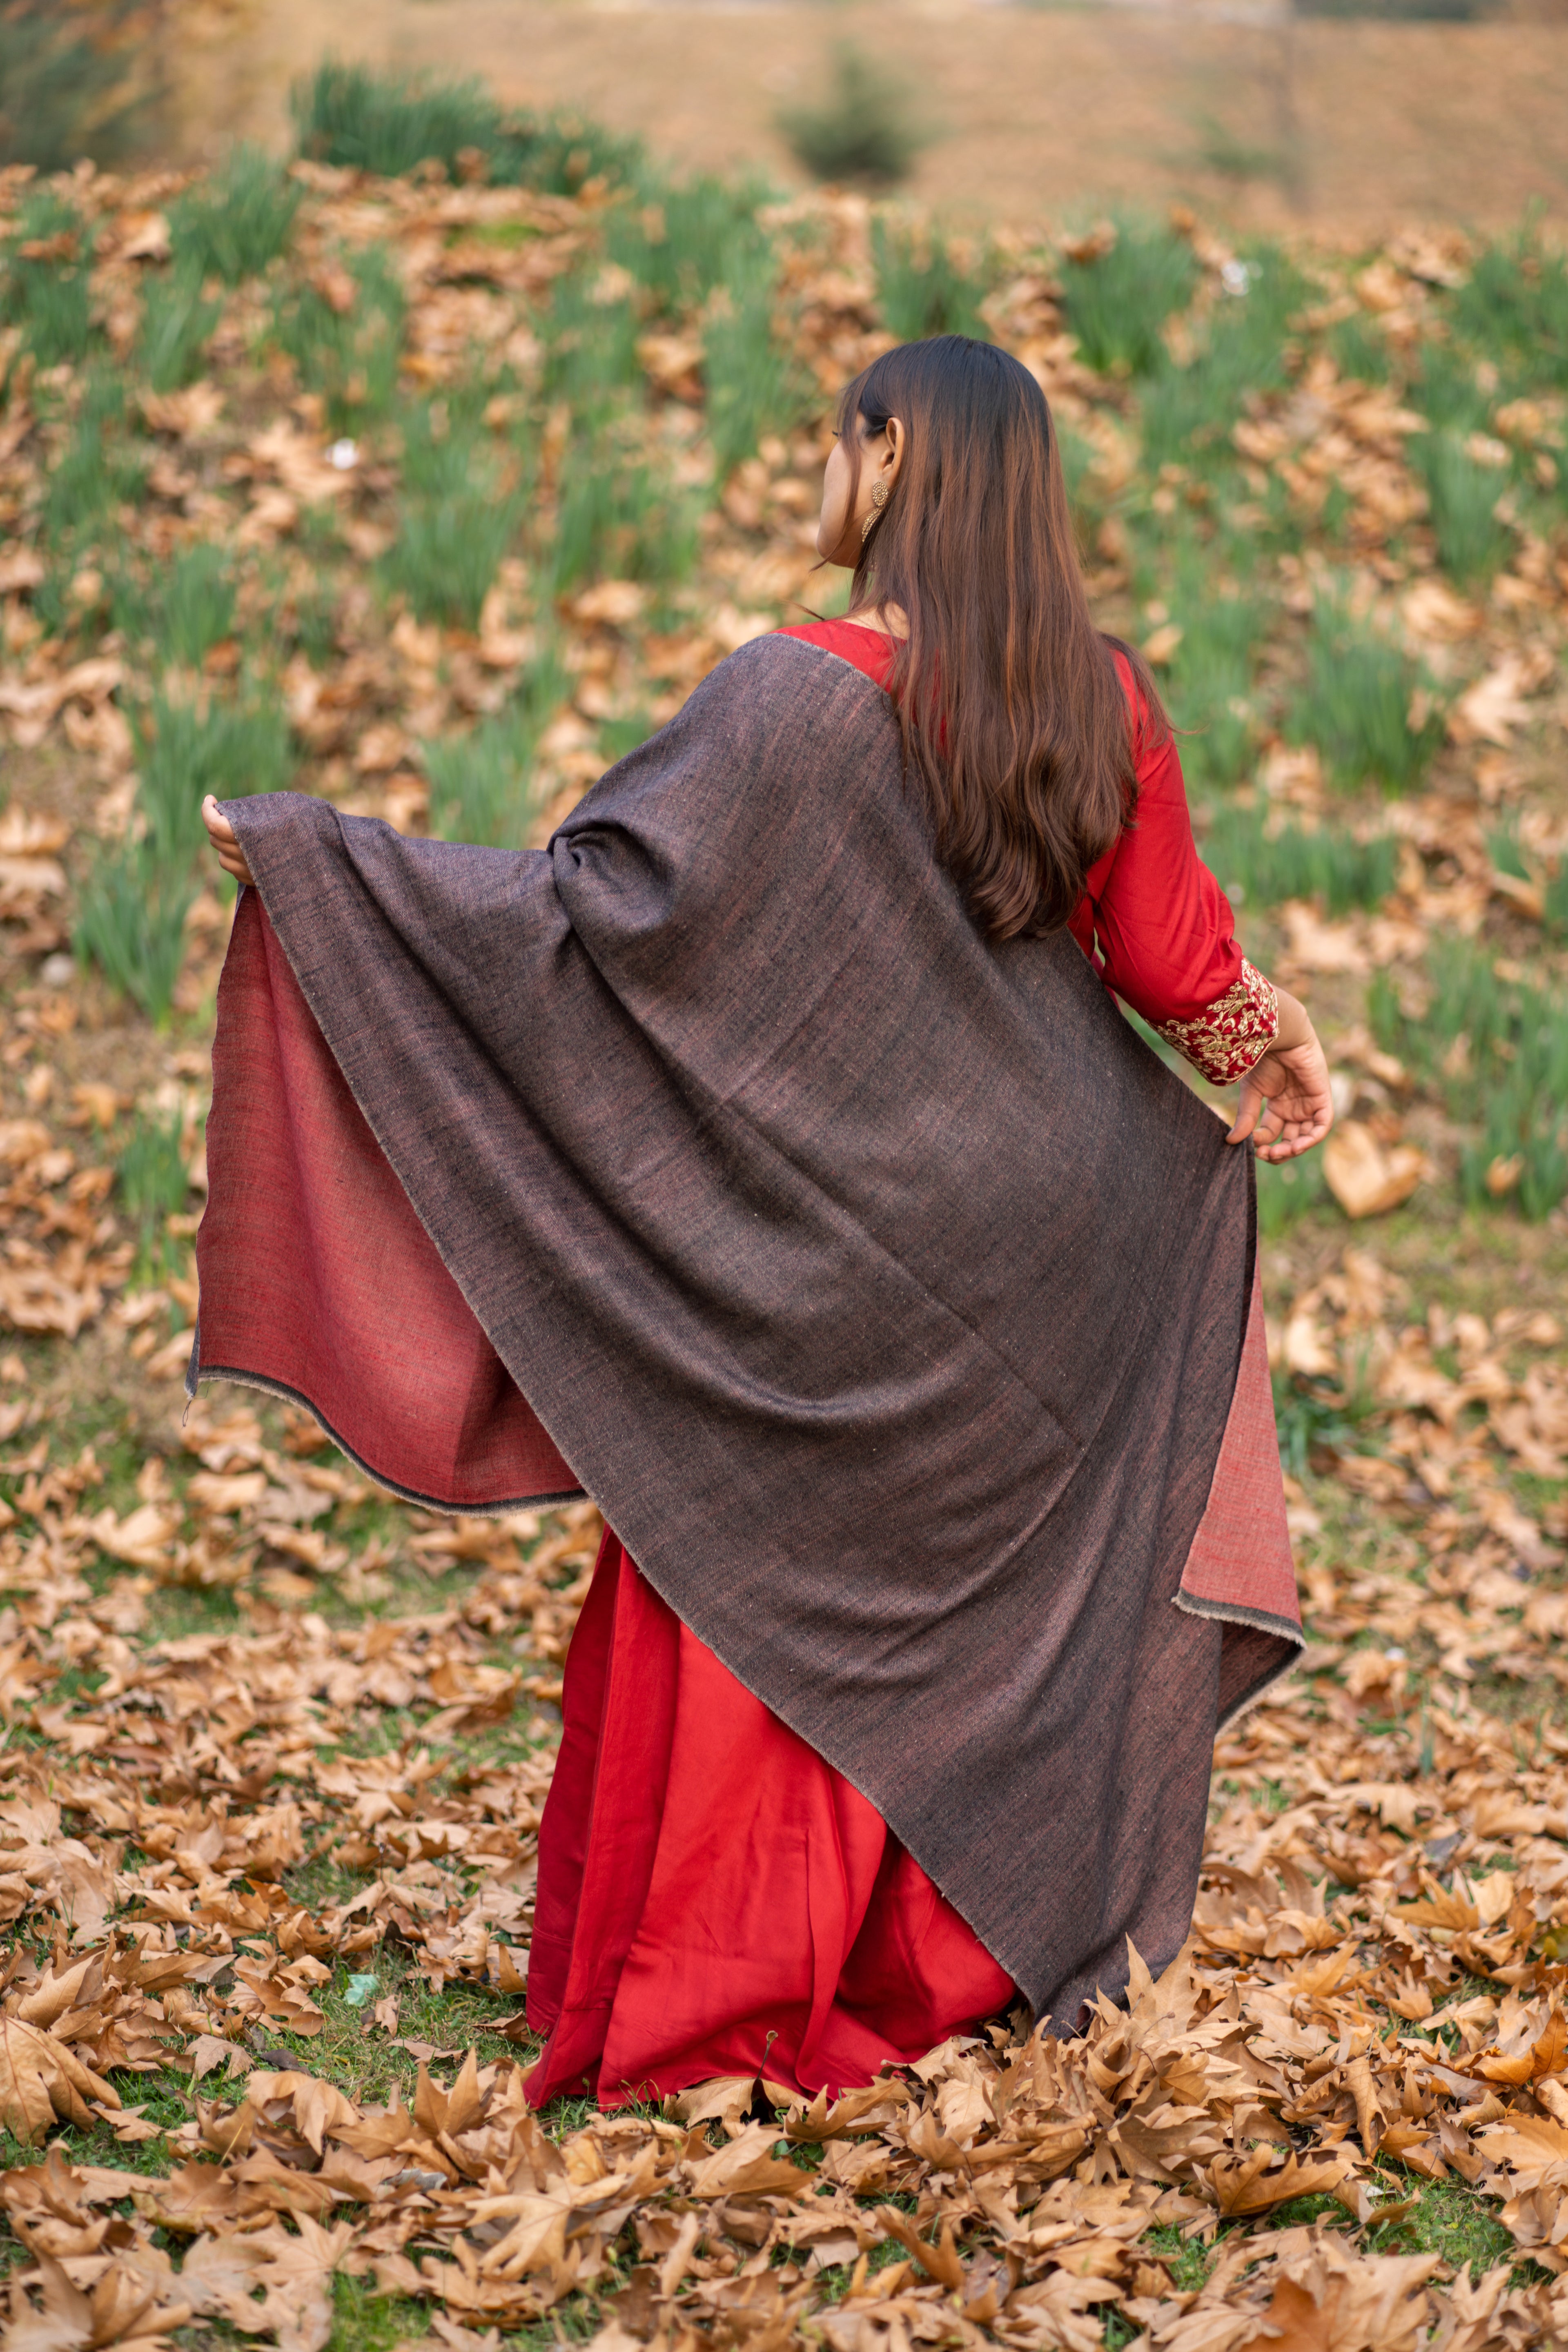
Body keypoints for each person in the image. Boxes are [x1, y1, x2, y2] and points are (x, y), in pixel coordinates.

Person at [200, 335, 1330, 2111]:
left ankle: (715, 2002)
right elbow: (1174, 955)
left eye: (833, 439)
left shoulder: (787, 695)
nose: (818, 471)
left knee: (752, 1567)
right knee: (961, 1613)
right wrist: (1274, 1052)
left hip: (821, 1248)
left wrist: (323, 865)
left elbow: (600, 927)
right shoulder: (1094, 696)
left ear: (887, 462)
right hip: (1041, 1241)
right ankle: (929, 1980)